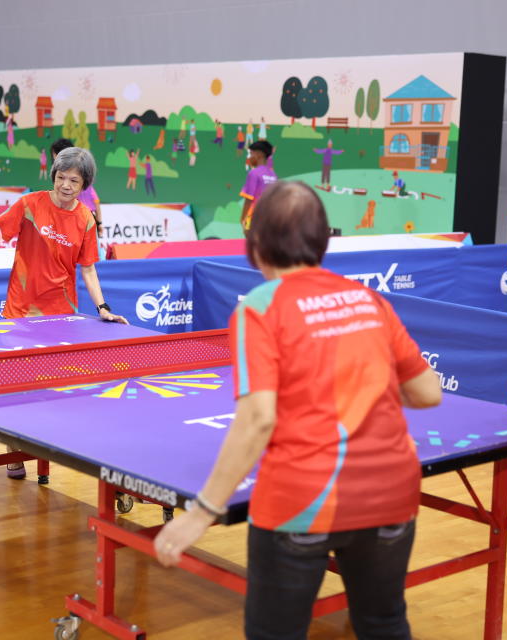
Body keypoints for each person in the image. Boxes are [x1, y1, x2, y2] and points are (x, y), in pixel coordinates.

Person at [155, 180, 440, 640]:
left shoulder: (260, 308)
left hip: (305, 499)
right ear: (322, 241)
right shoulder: (368, 299)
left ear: (257, 245)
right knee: (384, 624)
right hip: (391, 494)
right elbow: (428, 392)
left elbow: (258, 419)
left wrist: (201, 512)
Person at [0, 147, 126, 479]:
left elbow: (87, 270)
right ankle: (14, 453)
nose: (66, 185)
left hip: (60, 316)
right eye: (61, 177)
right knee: (16, 388)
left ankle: (48, 447)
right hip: (20, 311)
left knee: (53, 389)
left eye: (74, 180)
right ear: (53, 176)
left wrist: (103, 308)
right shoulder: (29, 204)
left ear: (84, 183)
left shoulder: (85, 219)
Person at [239, 140, 277, 231]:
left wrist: (243, 218)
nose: (249, 157)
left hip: (254, 219)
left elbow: (249, 199)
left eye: (251, 154)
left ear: (259, 154)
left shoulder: (254, 173)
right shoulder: (273, 175)